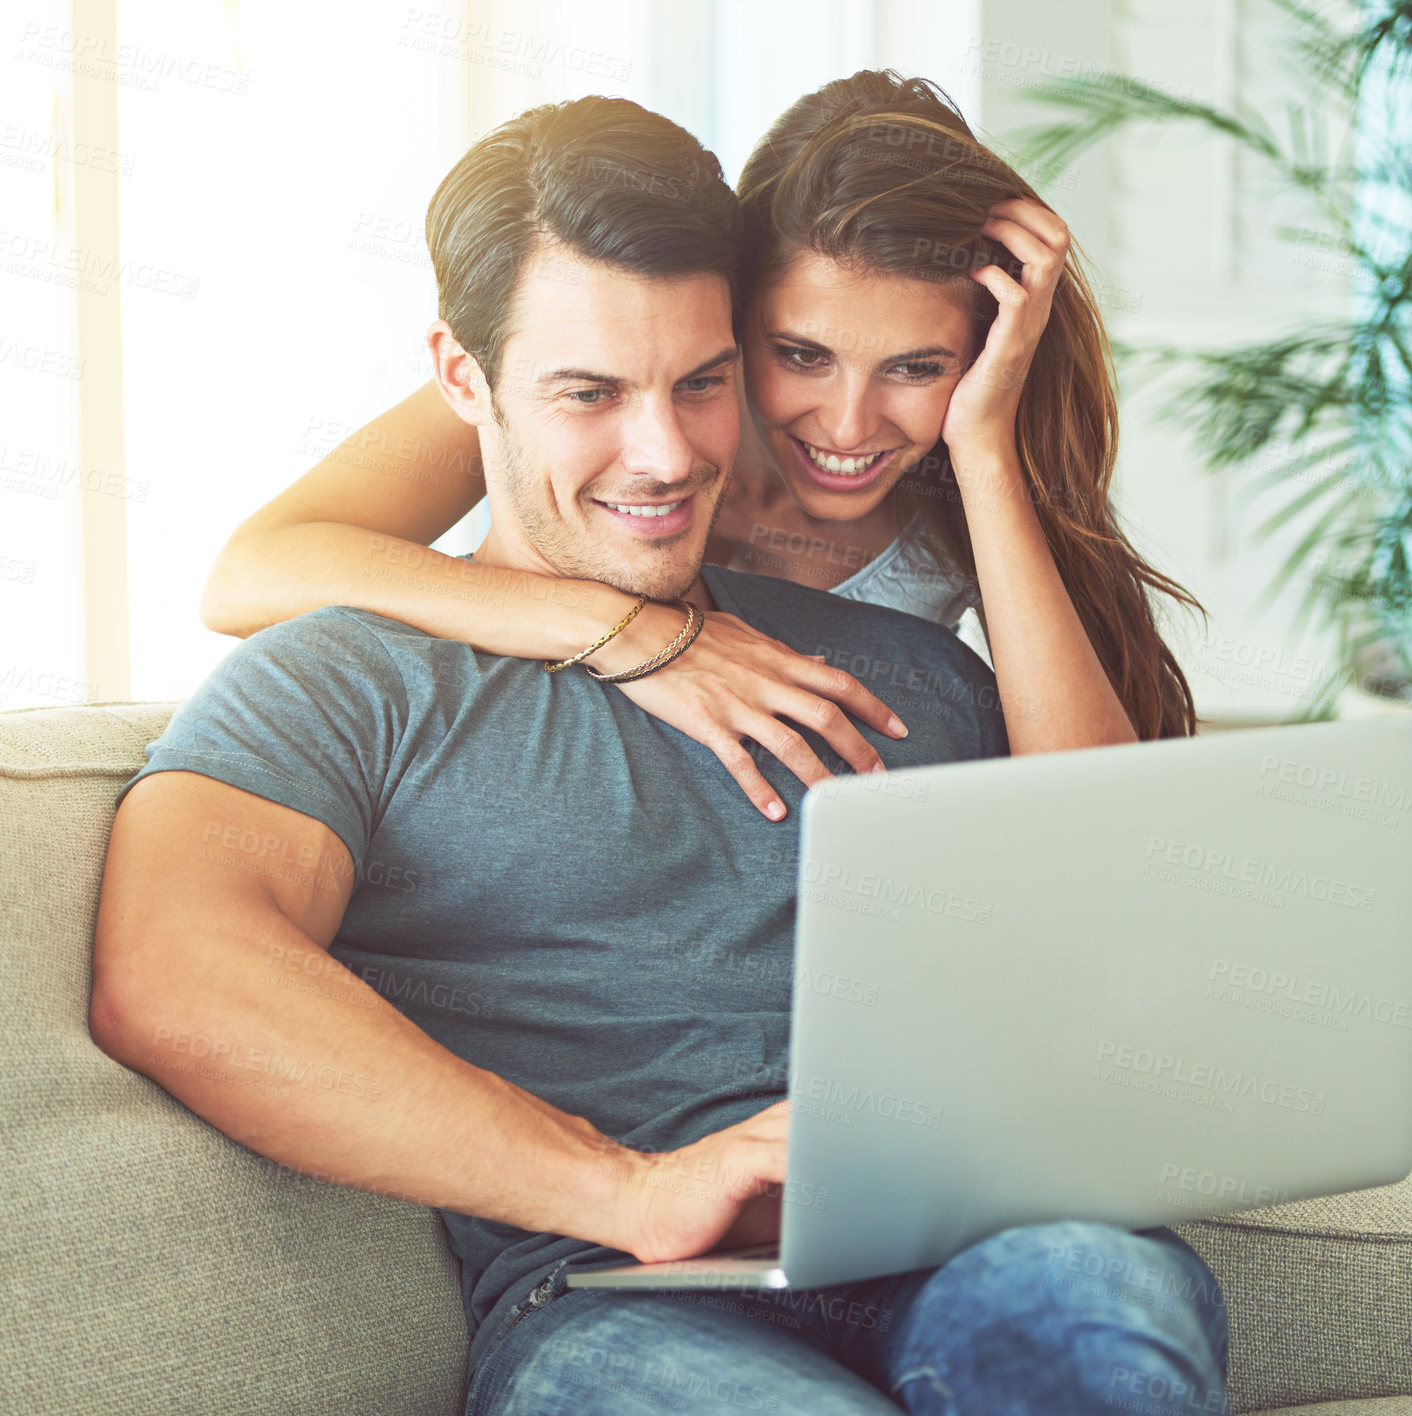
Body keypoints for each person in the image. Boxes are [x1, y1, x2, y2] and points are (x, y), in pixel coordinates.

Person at [91, 95, 1228, 1415]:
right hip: (607, 1297)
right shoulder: (343, 677)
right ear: (466, 378)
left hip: (963, 1244)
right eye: (590, 393)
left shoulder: (917, 671)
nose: (666, 453)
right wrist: (625, 1188)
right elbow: (176, 974)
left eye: (700, 385)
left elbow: (1113, 927)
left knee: (1098, 1316)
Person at [201, 72, 1204, 826]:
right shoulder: (608, 388)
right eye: (797, 354)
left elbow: (1093, 817)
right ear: (733, 309)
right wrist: (624, 631)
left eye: (912, 367)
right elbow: (251, 573)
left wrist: (982, 445)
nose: (847, 428)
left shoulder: (960, 480)